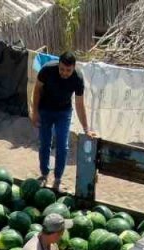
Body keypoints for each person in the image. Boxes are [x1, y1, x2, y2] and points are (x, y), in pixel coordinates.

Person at [30, 52, 96, 192]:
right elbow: (37, 90)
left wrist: (86, 129)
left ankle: (58, 178)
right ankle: (44, 174)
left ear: (73, 67)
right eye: (62, 69)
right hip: (45, 109)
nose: (64, 73)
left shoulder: (78, 78)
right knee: (44, 143)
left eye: (68, 70)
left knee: (62, 146)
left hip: (63, 112)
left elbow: (79, 104)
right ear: (58, 64)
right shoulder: (47, 69)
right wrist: (35, 112)